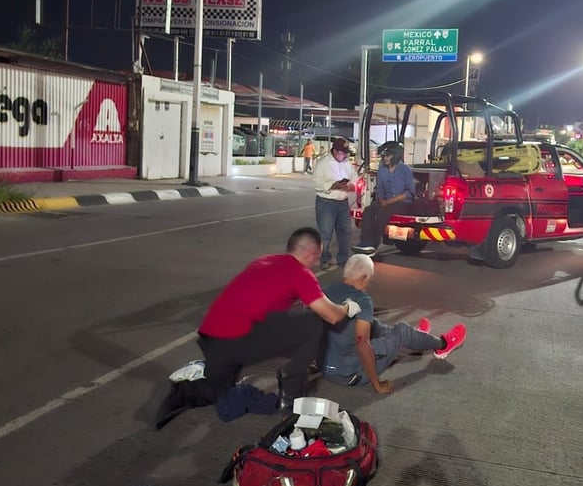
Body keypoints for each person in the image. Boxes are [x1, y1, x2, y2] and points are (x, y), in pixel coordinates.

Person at [196, 227, 362, 411]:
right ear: (311, 254)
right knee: (312, 322)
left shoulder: (264, 261)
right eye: (317, 257)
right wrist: (347, 307)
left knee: (215, 393)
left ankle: (178, 394)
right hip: (235, 342)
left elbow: (272, 310)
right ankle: (290, 394)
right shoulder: (299, 273)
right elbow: (331, 316)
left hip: (210, 339)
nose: (316, 262)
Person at [321, 254, 467, 392]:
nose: (368, 284)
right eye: (369, 280)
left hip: (326, 368)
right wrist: (376, 384)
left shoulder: (326, 292)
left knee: (372, 323)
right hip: (350, 375)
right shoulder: (362, 300)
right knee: (401, 331)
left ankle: (417, 337)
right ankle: (443, 344)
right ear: (364, 278)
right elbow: (362, 345)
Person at [354, 141, 415, 255]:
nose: (385, 158)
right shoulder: (382, 169)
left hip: (402, 202)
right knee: (369, 210)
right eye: (384, 156)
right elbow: (380, 188)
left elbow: (409, 192)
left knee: (383, 212)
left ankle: (373, 245)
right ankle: (365, 242)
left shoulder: (405, 169)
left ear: (395, 155)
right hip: (385, 201)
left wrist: (389, 201)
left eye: (388, 156)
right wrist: (381, 199)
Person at [312, 137, 358, 271]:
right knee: (325, 234)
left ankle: (343, 259)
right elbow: (316, 182)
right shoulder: (323, 163)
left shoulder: (346, 163)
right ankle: (324, 258)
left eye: (346, 153)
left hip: (342, 202)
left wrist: (349, 185)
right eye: (342, 153)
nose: (344, 156)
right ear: (335, 151)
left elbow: (354, 177)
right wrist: (332, 185)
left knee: (345, 232)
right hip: (326, 202)